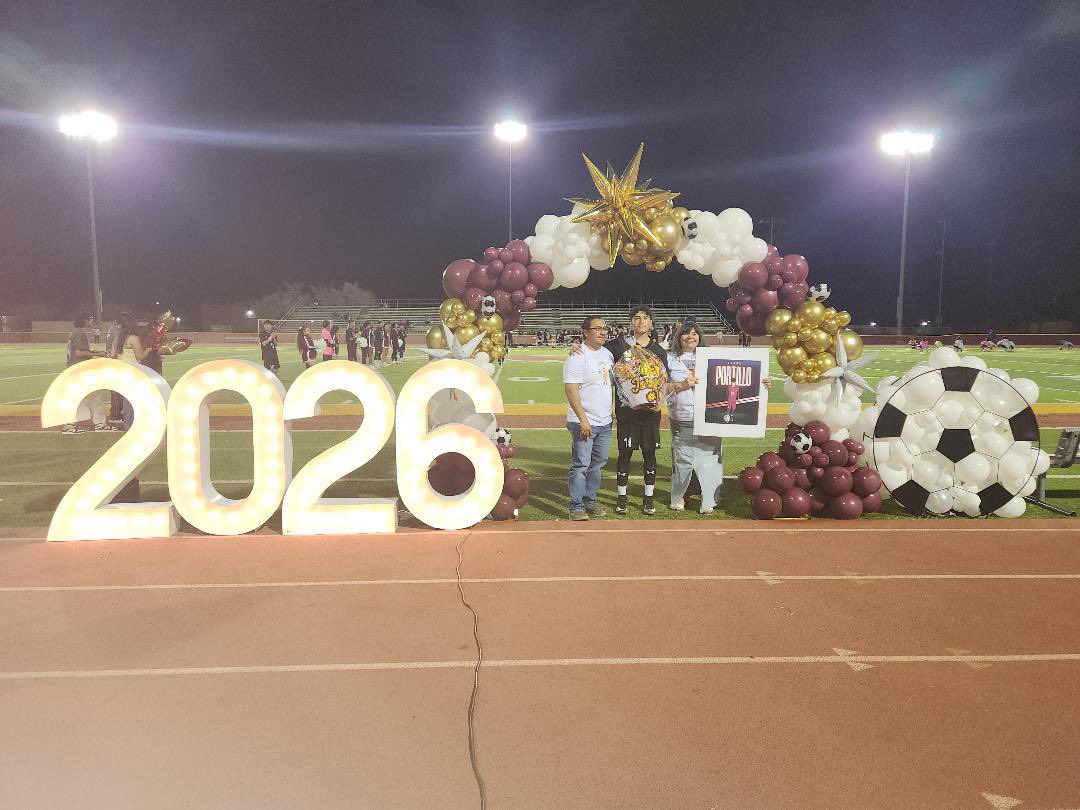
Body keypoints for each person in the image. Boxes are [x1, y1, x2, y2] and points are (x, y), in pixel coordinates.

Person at [575, 305, 673, 515]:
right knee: (625, 454)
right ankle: (622, 498)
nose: (640, 321)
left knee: (649, 455)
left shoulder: (659, 351)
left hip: (650, 414)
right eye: (636, 317)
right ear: (631, 322)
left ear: (651, 323)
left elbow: (665, 382)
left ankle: (648, 498)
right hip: (626, 414)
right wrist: (576, 347)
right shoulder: (617, 346)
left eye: (645, 318)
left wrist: (660, 401)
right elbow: (593, 348)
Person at [564, 315, 615, 520]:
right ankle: (576, 506)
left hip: (604, 421)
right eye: (597, 328)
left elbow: (608, 384)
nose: (603, 332)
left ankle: (590, 501)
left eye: (605, 328)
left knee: (598, 463)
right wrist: (583, 419)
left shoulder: (608, 355)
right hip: (583, 422)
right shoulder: (577, 356)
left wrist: (611, 406)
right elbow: (570, 390)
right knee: (581, 465)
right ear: (585, 332)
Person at [61, 317, 111, 434]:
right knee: (89, 396)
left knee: (91, 396)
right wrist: (99, 354)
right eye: (89, 319)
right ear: (84, 320)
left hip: (75, 369)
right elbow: (79, 352)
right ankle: (70, 424)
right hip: (79, 369)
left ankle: (99, 423)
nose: (91, 321)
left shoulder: (74, 332)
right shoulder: (79, 333)